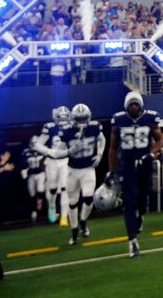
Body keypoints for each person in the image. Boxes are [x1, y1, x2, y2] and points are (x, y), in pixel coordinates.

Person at [107, 92, 163, 257]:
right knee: (129, 203)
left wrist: (151, 154)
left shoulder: (150, 118)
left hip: (144, 165)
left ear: (141, 105)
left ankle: (140, 216)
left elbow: (160, 140)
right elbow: (112, 147)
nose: (133, 107)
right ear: (126, 106)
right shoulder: (119, 120)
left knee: (142, 200)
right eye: (131, 104)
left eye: (136, 104)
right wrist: (111, 170)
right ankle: (132, 241)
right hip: (127, 166)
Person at [64, 103, 106, 246]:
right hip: (72, 169)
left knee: (89, 198)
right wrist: (68, 152)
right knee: (72, 202)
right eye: (79, 118)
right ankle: (74, 231)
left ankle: (83, 221)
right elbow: (59, 150)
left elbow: (102, 139)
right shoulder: (66, 131)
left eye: (84, 118)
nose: (82, 121)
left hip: (88, 168)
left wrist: (99, 155)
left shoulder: (94, 127)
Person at [34, 106, 73, 226]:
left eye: (65, 118)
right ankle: (52, 205)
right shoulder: (49, 127)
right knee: (53, 189)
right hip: (52, 161)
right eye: (60, 118)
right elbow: (38, 145)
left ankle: (64, 216)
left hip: (65, 160)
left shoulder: (72, 127)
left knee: (65, 187)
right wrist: (49, 151)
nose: (62, 121)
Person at [20, 136, 46, 223]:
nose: (33, 145)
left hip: (40, 173)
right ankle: (34, 210)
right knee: (32, 193)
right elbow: (23, 164)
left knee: (40, 189)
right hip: (31, 174)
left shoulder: (42, 151)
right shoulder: (26, 152)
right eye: (32, 143)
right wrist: (24, 170)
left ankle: (40, 201)